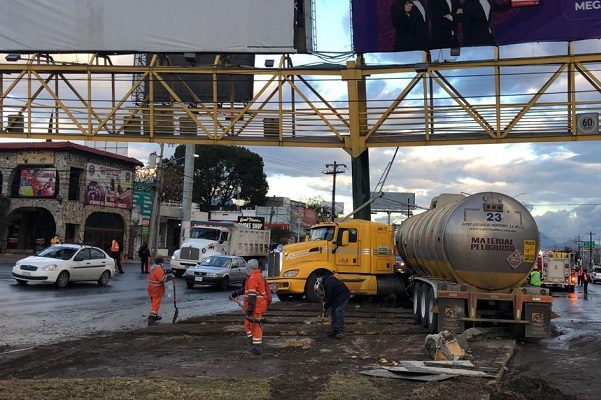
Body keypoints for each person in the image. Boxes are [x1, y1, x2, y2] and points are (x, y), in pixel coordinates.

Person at [229, 259, 269, 355]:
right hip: (256, 307)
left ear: (249, 268)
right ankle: (253, 346)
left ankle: (257, 349)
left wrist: (250, 310)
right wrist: (236, 293)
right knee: (249, 326)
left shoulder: (253, 278)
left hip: (255, 308)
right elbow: (247, 289)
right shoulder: (256, 276)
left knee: (255, 328)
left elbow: (252, 295)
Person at [316, 271, 351, 339]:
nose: (318, 279)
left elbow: (330, 296)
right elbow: (326, 294)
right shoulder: (325, 281)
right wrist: (324, 301)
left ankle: (340, 332)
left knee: (337, 311)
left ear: (323, 276)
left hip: (343, 295)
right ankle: (335, 330)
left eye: (319, 277)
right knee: (333, 311)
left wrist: (326, 306)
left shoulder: (329, 282)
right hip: (336, 296)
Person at [147, 257, 174, 325]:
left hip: (151, 289)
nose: (163, 264)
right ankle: (151, 319)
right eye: (162, 263)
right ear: (160, 263)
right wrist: (169, 277)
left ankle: (154, 316)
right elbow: (162, 280)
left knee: (154, 303)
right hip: (156, 289)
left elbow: (163, 271)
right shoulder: (157, 269)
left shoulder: (154, 268)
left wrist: (169, 271)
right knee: (155, 304)